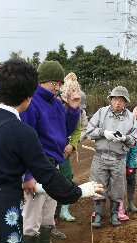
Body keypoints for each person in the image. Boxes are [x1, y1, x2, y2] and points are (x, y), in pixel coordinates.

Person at [0, 58, 103, 243]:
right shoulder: (22, 132)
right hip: (0, 208)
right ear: (28, 98)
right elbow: (46, 173)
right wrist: (79, 191)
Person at [19, 61, 81, 243]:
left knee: (47, 219)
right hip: (37, 167)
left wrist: (73, 109)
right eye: (52, 83)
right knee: (31, 222)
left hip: (53, 166)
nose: (56, 88)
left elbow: (65, 130)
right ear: (41, 81)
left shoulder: (55, 103)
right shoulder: (31, 102)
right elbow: (25, 141)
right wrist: (28, 174)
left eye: (59, 84)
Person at [85, 86, 137, 228]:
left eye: (121, 100)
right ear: (111, 100)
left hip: (118, 159)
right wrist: (103, 132)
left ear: (125, 102)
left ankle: (115, 214)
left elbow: (134, 140)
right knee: (98, 186)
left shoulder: (131, 118)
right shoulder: (101, 112)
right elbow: (89, 131)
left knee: (117, 187)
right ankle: (98, 215)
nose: (117, 103)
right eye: (115, 99)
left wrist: (124, 138)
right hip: (100, 157)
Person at [57, 72, 82, 224]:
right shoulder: (55, 104)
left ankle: (64, 209)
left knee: (66, 177)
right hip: (52, 148)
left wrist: (71, 145)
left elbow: (77, 130)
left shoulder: (75, 108)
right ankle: (52, 211)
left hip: (64, 150)